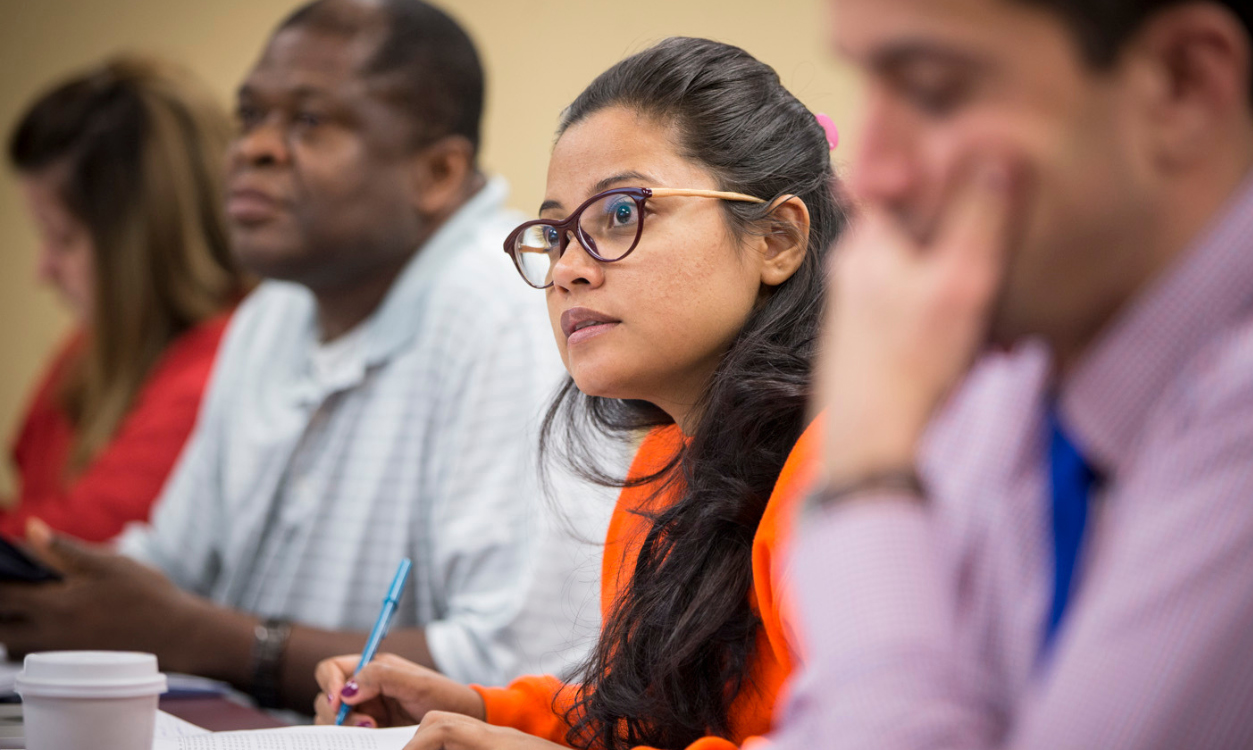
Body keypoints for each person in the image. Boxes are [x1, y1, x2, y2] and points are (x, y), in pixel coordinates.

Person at [0, 0, 606, 713]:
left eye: (308, 121)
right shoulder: (271, 314)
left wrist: (211, 640)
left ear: (438, 173)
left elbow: (514, 665)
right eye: (250, 115)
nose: (254, 148)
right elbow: (175, 567)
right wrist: (68, 588)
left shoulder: (511, 312)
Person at [768, 0, 1253, 748]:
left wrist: (868, 473)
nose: (867, 177)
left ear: (1184, 83)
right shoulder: (1016, 369)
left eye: (934, 90)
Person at [312, 37, 844, 749]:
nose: (567, 270)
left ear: (777, 238)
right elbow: (659, 724)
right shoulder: (666, 460)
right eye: (557, 233)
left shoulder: (841, 471)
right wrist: (482, 713)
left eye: (620, 214)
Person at [2, 56, 247, 543]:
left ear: (145, 244)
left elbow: (70, 546)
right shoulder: (90, 349)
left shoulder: (225, 368)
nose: (43, 271)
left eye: (63, 239)